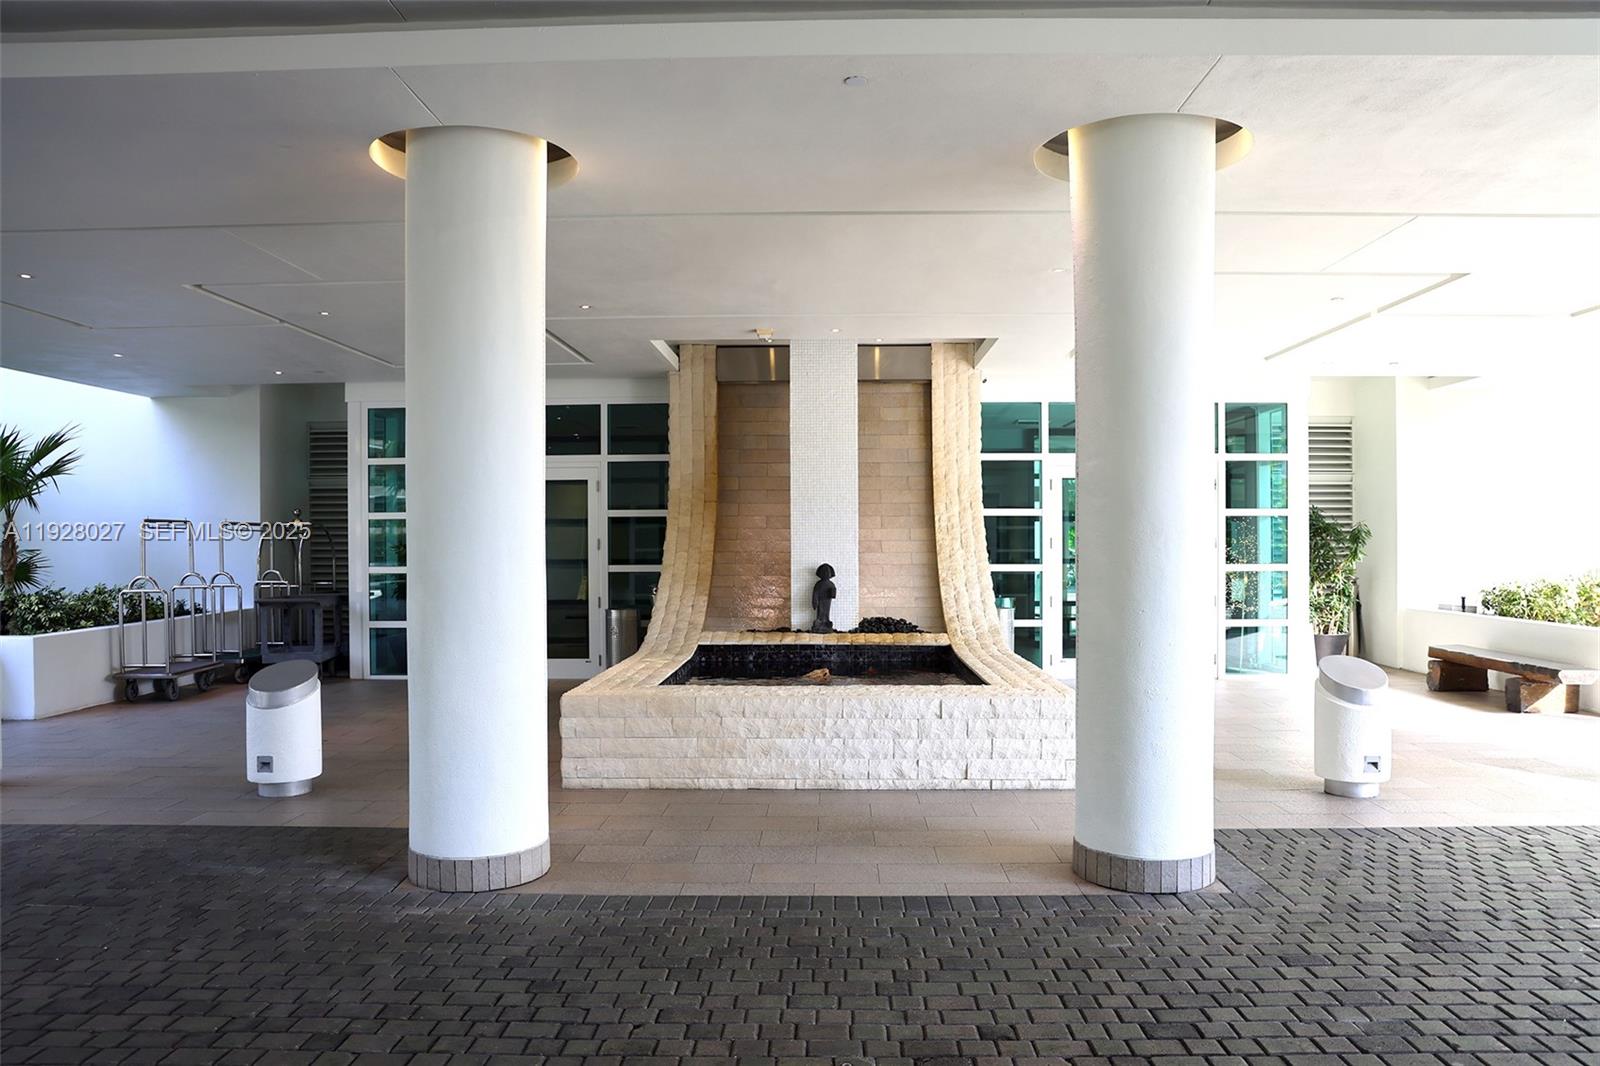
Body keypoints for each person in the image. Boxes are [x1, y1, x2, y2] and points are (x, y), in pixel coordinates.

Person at [810, 563, 836, 633]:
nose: (826, 574)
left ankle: (826, 622)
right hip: (820, 601)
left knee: (826, 612)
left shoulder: (831, 584)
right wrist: (815, 601)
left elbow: (833, 595)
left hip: (827, 601)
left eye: (827, 572)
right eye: (824, 572)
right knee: (820, 612)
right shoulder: (818, 584)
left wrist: (833, 592)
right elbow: (815, 593)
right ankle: (820, 622)